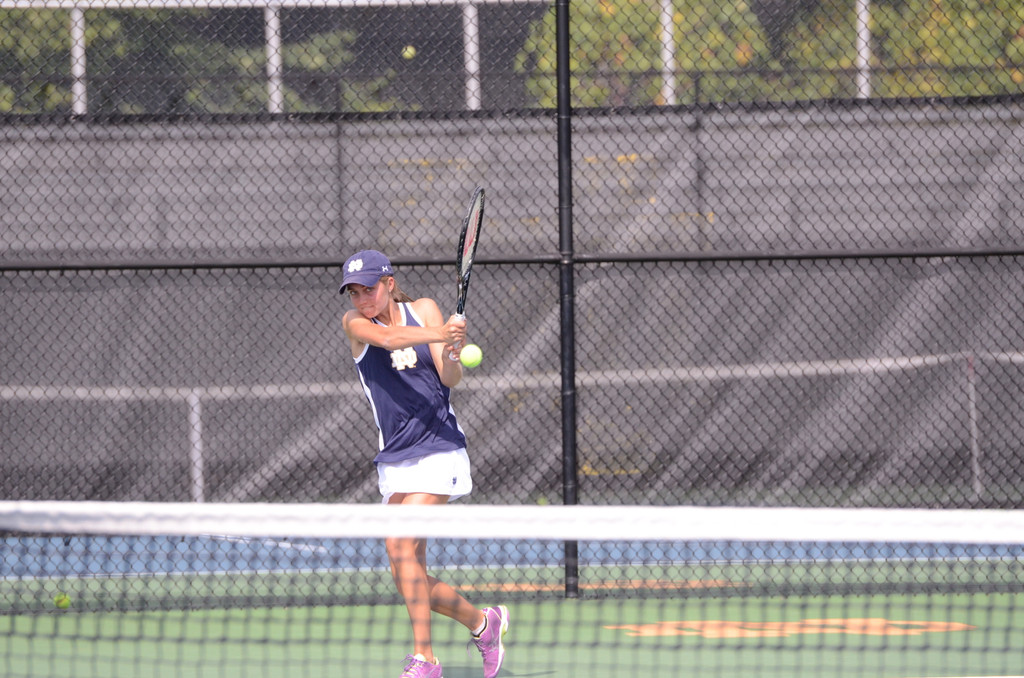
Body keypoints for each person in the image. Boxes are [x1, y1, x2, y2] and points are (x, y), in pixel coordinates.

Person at [339, 249, 509, 678]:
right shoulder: (354, 324)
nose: (363, 298)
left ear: (389, 283)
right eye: (355, 292)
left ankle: (425, 660)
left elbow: (450, 379)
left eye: (370, 288)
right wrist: (441, 331)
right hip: (395, 460)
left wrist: (450, 349)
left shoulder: (425, 310)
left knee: (399, 545)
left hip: (440, 449)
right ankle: (483, 625)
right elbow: (390, 341)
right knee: (407, 575)